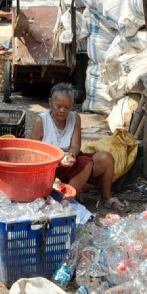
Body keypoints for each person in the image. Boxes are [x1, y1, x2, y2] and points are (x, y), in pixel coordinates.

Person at [29, 83, 126, 211]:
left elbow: (75, 145)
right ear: (50, 102)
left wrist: (72, 155)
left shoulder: (75, 118)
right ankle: (65, 201)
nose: (62, 110)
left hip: (69, 163)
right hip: (48, 167)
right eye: (58, 106)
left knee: (105, 159)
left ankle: (106, 198)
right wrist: (55, 160)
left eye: (67, 107)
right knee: (87, 163)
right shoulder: (41, 121)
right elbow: (32, 151)